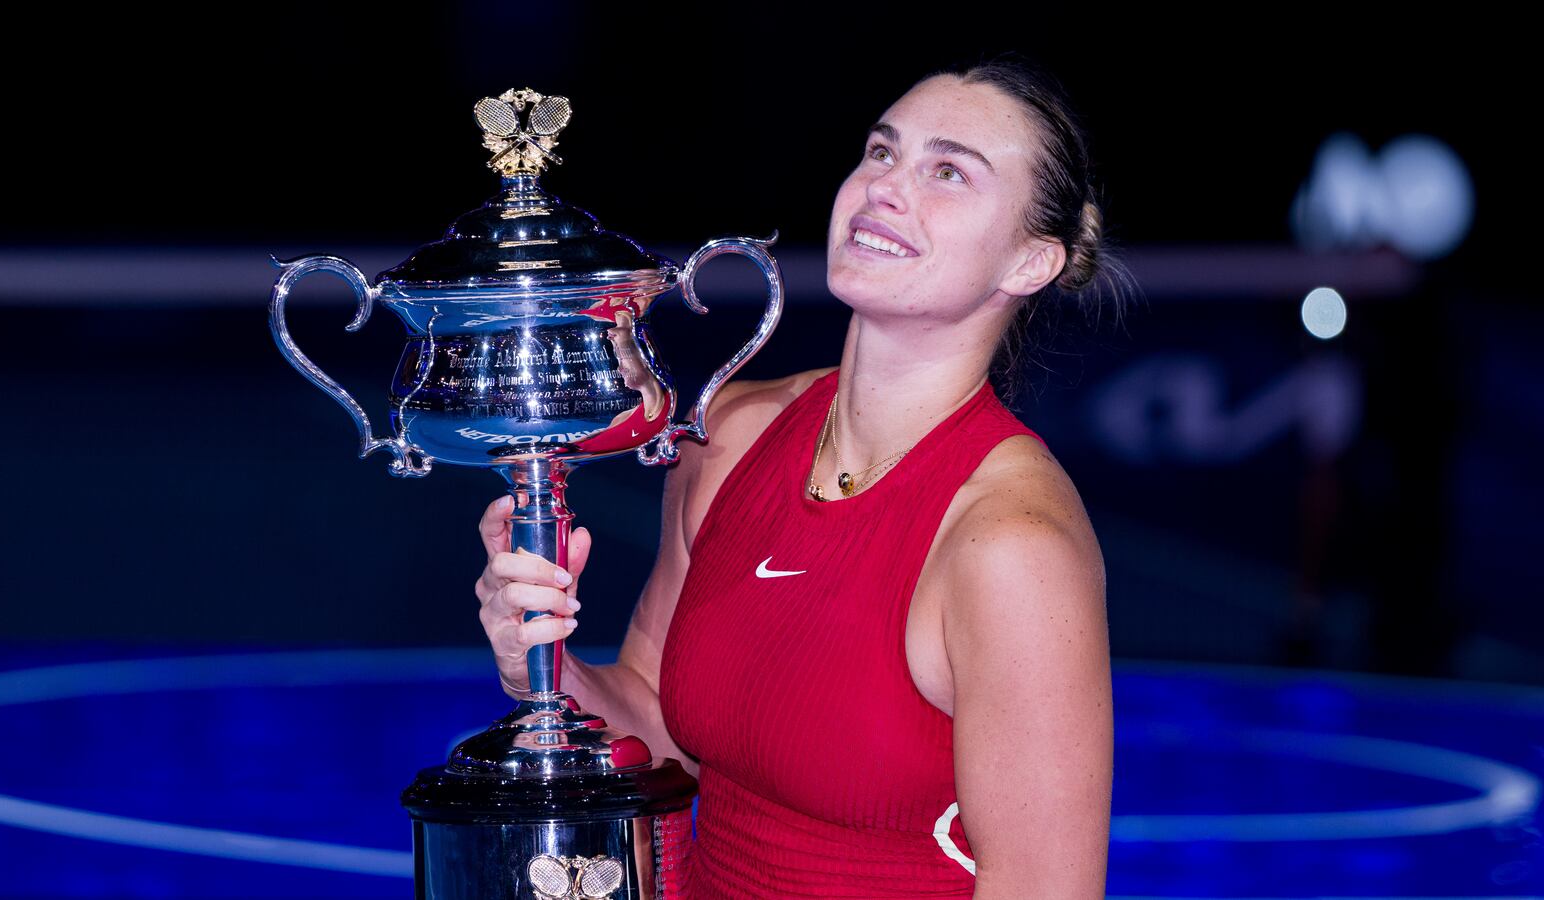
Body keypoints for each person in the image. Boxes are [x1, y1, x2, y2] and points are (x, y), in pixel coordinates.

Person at [476, 50, 1129, 898]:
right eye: (882, 152)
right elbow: (661, 736)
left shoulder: (1010, 545)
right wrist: (543, 663)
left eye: (948, 173)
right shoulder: (733, 438)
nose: (885, 187)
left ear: (1029, 263)